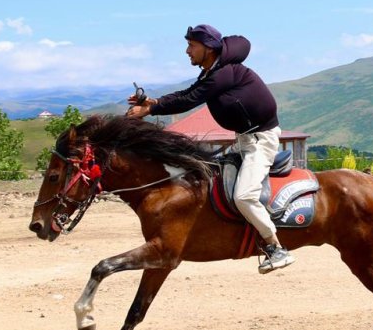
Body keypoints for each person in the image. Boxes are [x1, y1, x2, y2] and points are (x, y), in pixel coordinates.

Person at [126, 24, 294, 273]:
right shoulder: (213, 72)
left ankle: (275, 247)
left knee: (244, 196)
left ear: (209, 48)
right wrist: (155, 102)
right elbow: (188, 92)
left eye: (191, 46)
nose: (187, 51)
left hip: (261, 142)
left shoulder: (223, 73)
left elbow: (190, 99)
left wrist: (150, 110)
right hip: (245, 141)